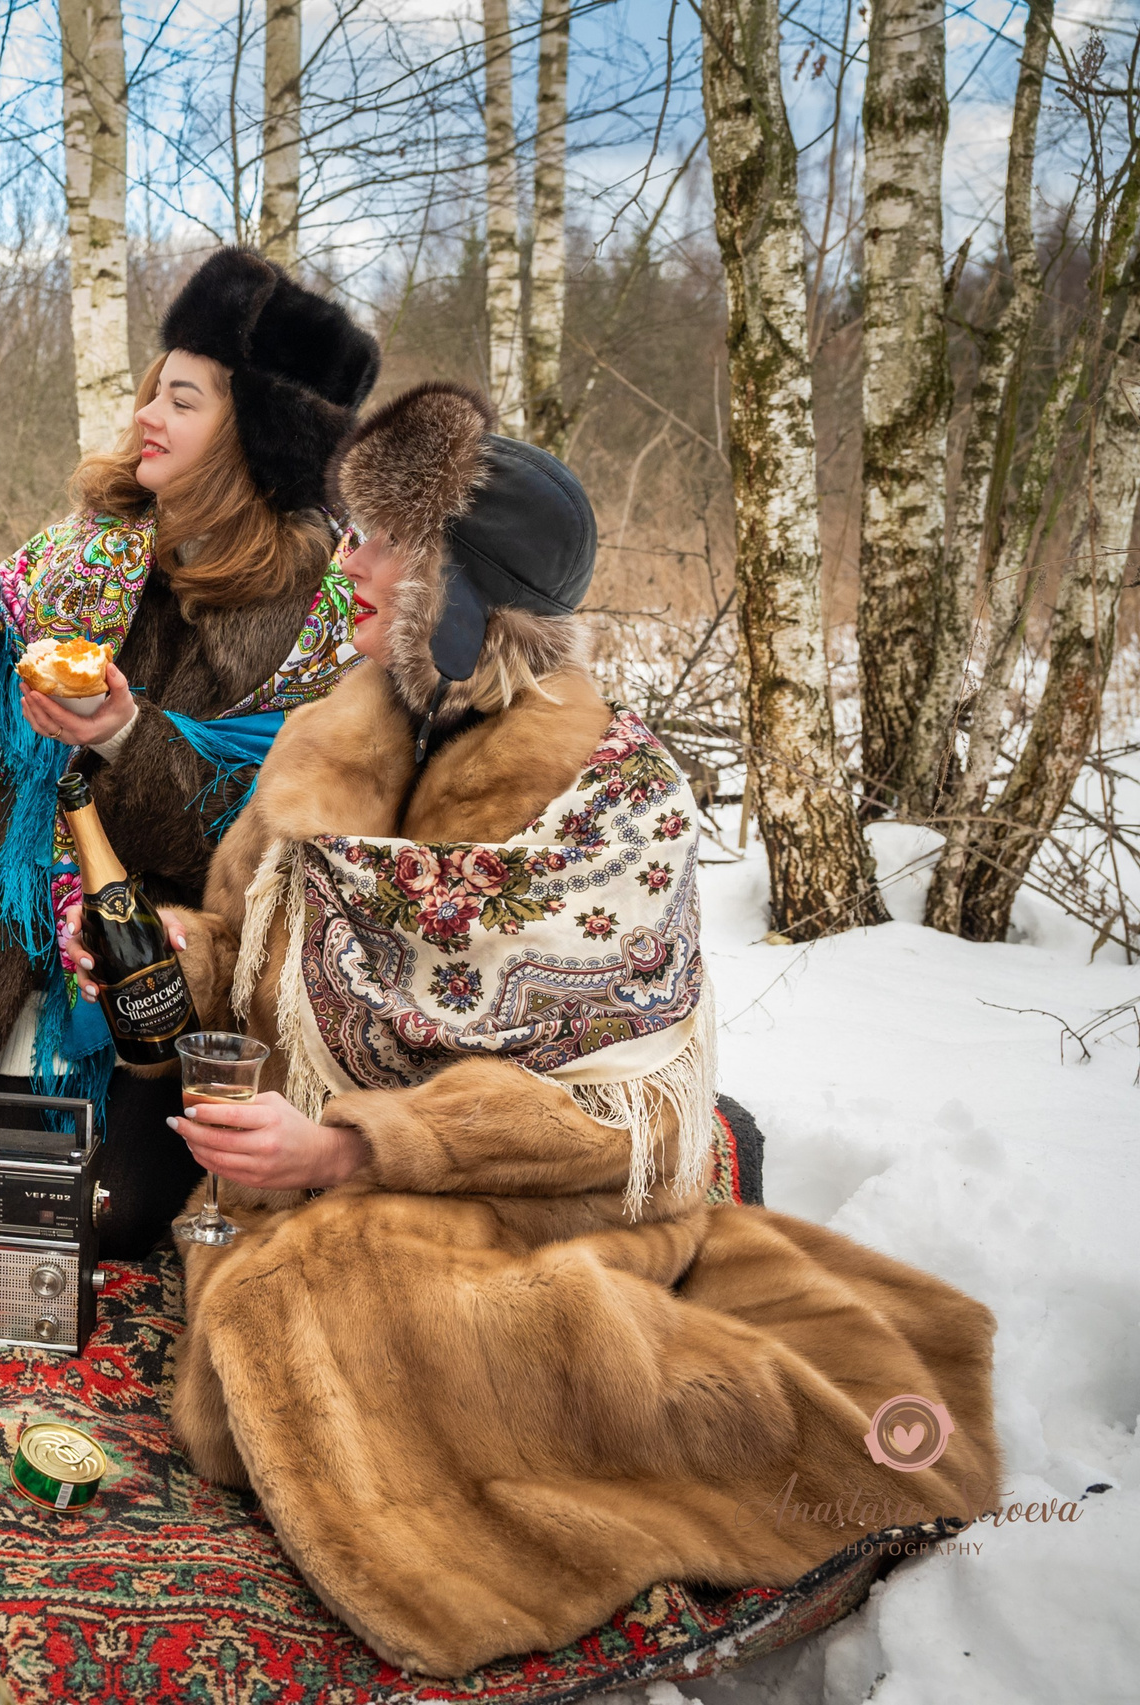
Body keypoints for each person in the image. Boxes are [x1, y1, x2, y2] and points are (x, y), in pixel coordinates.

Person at [158, 383, 1000, 1677]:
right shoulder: (337, 730)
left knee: (300, 1301)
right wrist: (187, 952)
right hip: (304, 1162)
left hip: (537, 1195)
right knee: (271, 1309)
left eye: (387, 540)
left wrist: (347, 1150)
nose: (354, 562)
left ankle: (682, 1442)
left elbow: (608, 1120)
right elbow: (259, 956)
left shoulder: (613, 799)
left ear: (465, 589)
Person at [0, 245, 379, 1256]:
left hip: (163, 1001)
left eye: (185, 399)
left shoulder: (312, 616)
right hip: (0, 940)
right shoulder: (89, 549)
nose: (148, 417)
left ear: (252, 432)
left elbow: (248, 839)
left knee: (94, 1221)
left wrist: (124, 733)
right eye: (155, 391)